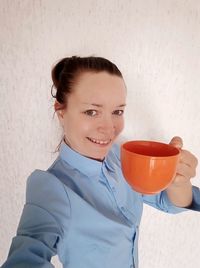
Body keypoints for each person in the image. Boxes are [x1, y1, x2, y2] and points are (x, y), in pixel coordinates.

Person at [1, 56, 200, 268]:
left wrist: (178, 180)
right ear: (61, 111)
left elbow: (167, 201)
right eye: (91, 112)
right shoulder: (51, 189)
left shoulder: (121, 156)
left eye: (117, 112)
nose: (109, 128)